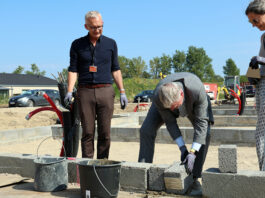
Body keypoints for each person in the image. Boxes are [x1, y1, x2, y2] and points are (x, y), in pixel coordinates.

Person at [64, 11, 128, 159]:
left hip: (105, 90)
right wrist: (69, 91)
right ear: (86, 26)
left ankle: (102, 164)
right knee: (87, 133)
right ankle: (88, 167)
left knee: (105, 133)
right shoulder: (77, 45)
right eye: (93, 27)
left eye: (100, 26)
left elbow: (116, 69)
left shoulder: (111, 44)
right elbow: (73, 70)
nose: (97, 30)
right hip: (85, 92)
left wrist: (122, 91)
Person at [138, 72, 213, 195]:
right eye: (171, 108)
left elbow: (201, 124)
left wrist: (193, 152)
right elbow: (170, 122)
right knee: (146, 130)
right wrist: (182, 148)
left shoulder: (197, 90)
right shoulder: (159, 95)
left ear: (182, 94)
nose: (173, 110)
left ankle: (194, 178)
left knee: (206, 134)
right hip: (165, 101)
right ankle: (141, 171)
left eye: (175, 106)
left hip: (194, 103)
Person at [246, 0, 265, 171]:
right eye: (250, 21)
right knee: (261, 132)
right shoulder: (263, 37)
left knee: (262, 133)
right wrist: (253, 75)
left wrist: (261, 60)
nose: (253, 25)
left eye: (255, 20)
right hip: (262, 87)